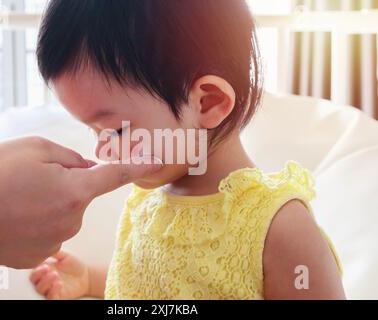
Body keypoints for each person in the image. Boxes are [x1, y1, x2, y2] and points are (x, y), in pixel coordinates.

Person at [29, 0, 345, 300]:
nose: (104, 150)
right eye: (93, 131)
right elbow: (155, 280)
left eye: (116, 130)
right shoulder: (147, 201)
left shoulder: (279, 227)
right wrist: (89, 278)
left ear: (208, 102)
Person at [0, 137, 162, 272]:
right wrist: (91, 280)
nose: (101, 151)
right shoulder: (144, 204)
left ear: (201, 103)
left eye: (120, 129)